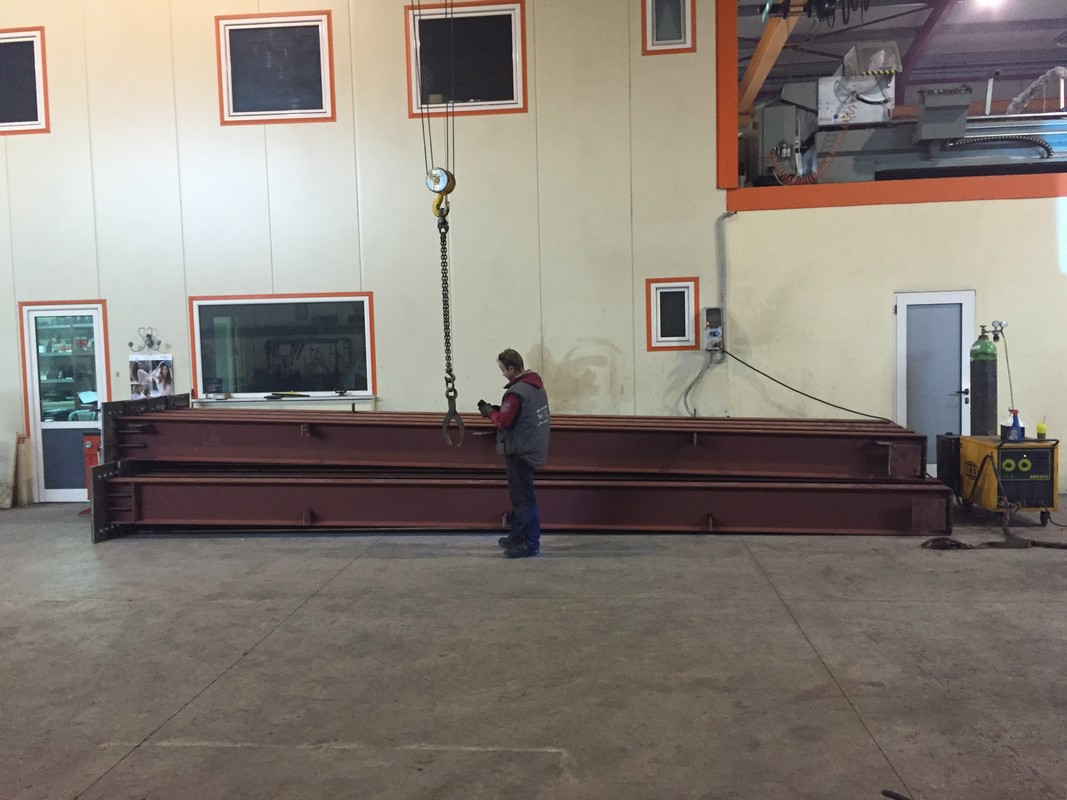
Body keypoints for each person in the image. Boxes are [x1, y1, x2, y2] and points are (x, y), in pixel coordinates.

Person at [478, 349, 550, 559]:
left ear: (511, 368)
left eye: (503, 369)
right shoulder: (535, 385)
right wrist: (500, 409)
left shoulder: (516, 392)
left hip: (520, 451)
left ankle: (530, 544)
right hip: (532, 447)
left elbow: (504, 421)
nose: (502, 374)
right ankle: (517, 536)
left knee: (524, 499)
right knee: (519, 497)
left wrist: (490, 412)